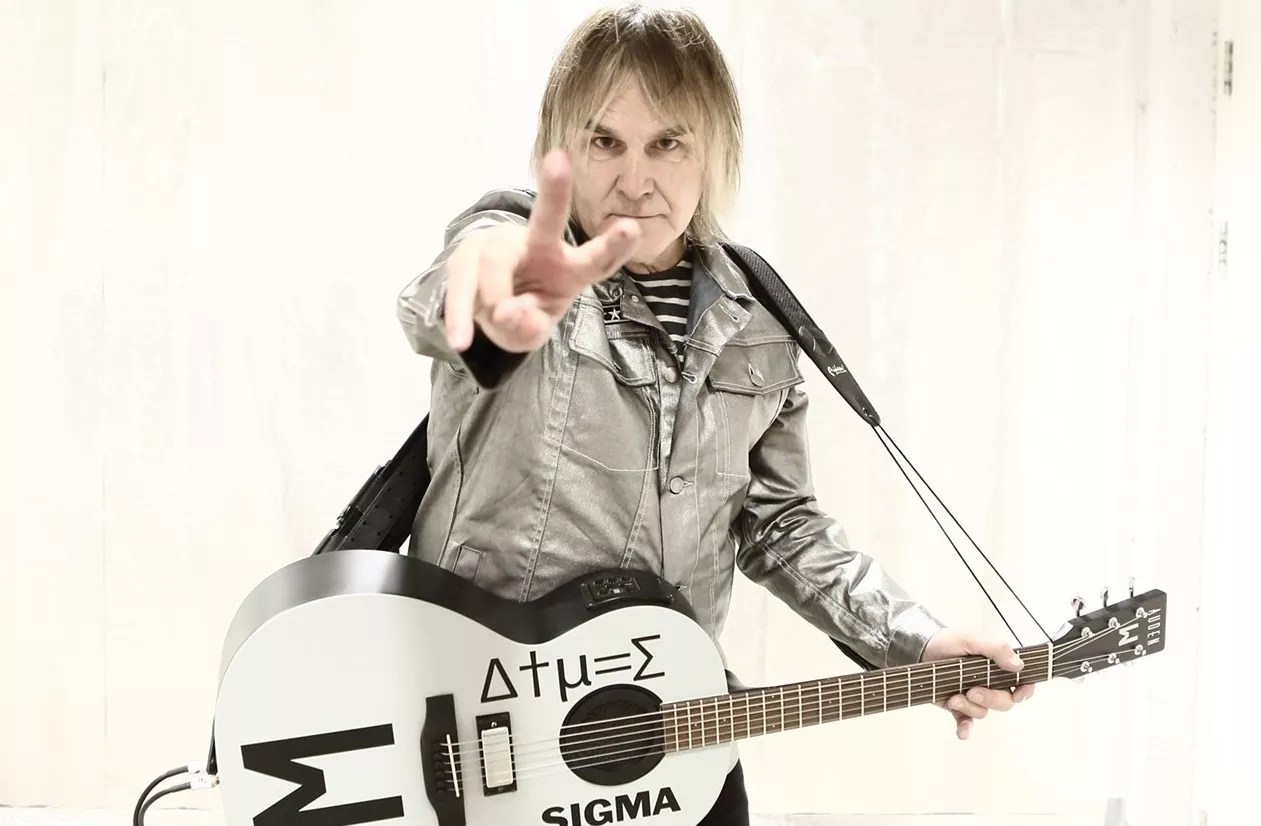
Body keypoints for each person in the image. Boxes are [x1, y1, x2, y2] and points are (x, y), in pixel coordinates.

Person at [396, 5, 1034, 824]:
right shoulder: (521, 245)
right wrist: (491, 288)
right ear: (561, 148)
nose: (635, 180)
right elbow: (457, 286)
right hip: (488, 737)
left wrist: (916, 640)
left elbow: (780, 527)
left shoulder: (758, 318)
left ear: (714, 150)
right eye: (604, 142)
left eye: (668, 143)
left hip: (665, 732)